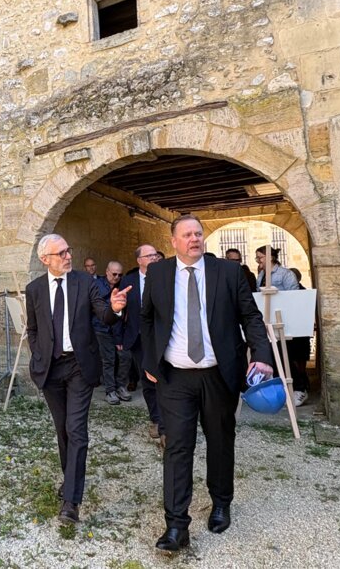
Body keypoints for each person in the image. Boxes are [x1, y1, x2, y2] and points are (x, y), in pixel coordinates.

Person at [141, 215, 274, 553]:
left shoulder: (227, 273)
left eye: (198, 233)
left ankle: (220, 503)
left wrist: (262, 355)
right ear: (173, 241)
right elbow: (145, 319)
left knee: (219, 442)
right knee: (177, 447)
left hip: (219, 374)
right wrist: (149, 360)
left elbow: (251, 317)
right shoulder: (157, 274)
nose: (194, 239)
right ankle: (175, 525)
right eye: (186, 235)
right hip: (174, 377)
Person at [26, 234, 129, 525]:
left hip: (79, 367)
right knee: (63, 430)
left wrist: (116, 309)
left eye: (68, 250)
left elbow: (103, 314)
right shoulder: (33, 289)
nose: (68, 256)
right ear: (45, 259)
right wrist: (38, 356)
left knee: (76, 429)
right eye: (61, 253)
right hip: (50, 370)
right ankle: (69, 479)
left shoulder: (86, 283)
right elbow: (33, 329)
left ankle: (72, 500)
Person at [119, 245, 165, 441]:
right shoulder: (128, 281)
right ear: (139, 260)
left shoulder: (167, 278)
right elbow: (120, 311)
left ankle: (168, 421)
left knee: (165, 380)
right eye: (149, 256)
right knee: (147, 381)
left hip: (163, 338)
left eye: (155, 255)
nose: (154, 258)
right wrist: (119, 337)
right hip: (139, 339)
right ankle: (155, 419)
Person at [94, 261, 132, 405]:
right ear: (107, 272)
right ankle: (110, 390)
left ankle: (120, 386)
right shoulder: (97, 286)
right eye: (114, 274)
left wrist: (119, 338)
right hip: (101, 328)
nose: (116, 277)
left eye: (120, 275)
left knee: (125, 356)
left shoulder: (122, 285)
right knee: (108, 359)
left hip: (118, 329)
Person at [286, 268, 312, 407]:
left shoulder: (301, 293)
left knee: (297, 362)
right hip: (296, 334)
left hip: (299, 334)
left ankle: (301, 388)